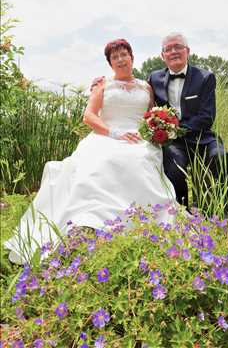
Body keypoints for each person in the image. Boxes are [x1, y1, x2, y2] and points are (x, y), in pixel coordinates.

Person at [5, 39, 177, 264]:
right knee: (101, 162)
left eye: (124, 54)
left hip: (138, 138)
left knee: (140, 159)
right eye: (114, 57)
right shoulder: (103, 85)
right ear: (110, 63)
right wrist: (114, 133)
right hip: (107, 135)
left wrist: (155, 128)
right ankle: (88, 223)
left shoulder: (146, 87)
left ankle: (143, 223)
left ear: (132, 57)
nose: (120, 59)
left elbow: (149, 114)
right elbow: (89, 116)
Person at [148, 32, 228, 216]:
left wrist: (177, 129)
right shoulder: (154, 79)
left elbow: (206, 116)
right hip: (174, 144)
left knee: (221, 157)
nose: (173, 51)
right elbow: (135, 90)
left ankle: (222, 214)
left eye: (178, 47)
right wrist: (104, 83)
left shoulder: (205, 77)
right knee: (174, 164)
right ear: (162, 56)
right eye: (168, 49)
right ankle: (182, 215)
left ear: (188, 51)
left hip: (202, 137)